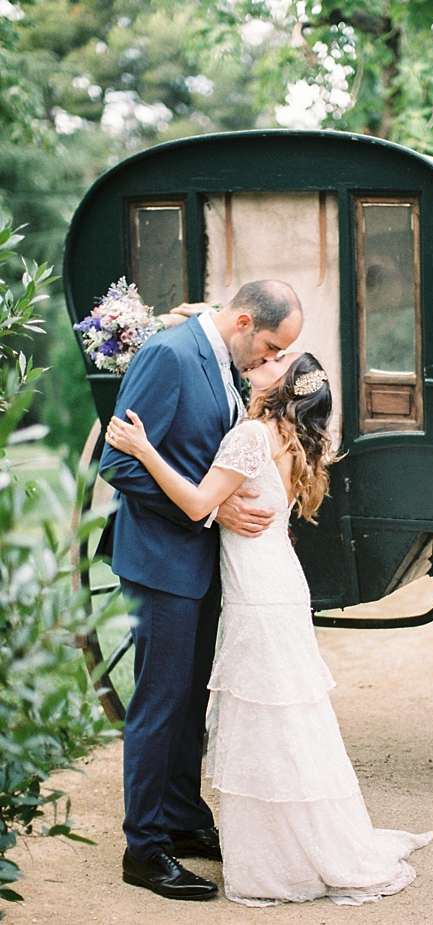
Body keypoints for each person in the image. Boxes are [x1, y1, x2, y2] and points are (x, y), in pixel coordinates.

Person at [105, 350, 433, 906]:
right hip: (279, 583)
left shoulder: (252, 435)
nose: (262, 360)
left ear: (280, 386)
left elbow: (194, 505)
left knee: (266, 717)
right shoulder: (288, 437)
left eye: (274, 362)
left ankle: (282, 851)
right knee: (288, 716)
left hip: (258, 594)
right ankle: (292, 838)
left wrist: (144, 449)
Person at [98, 280, 303, 902]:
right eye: (267, 348)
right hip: (161, 562)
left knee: (190, 700)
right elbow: (120, 462)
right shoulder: (170, 355)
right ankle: (145, 847)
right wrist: (210, 512)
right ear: (242, 320)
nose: (268, 364)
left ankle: (182, 819)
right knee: (160, 703)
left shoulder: (217, 357)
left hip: (197, 564)